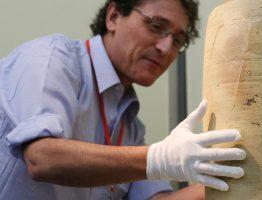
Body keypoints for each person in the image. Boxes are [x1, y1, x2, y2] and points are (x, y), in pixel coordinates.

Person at [0, 0, 246, 199]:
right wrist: (159, 158)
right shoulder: (51, 60)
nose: (165, 48)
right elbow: (42, 158)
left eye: (177, 40)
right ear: (114, 16)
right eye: (156, 26)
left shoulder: (130, 124)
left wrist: (239, 177)